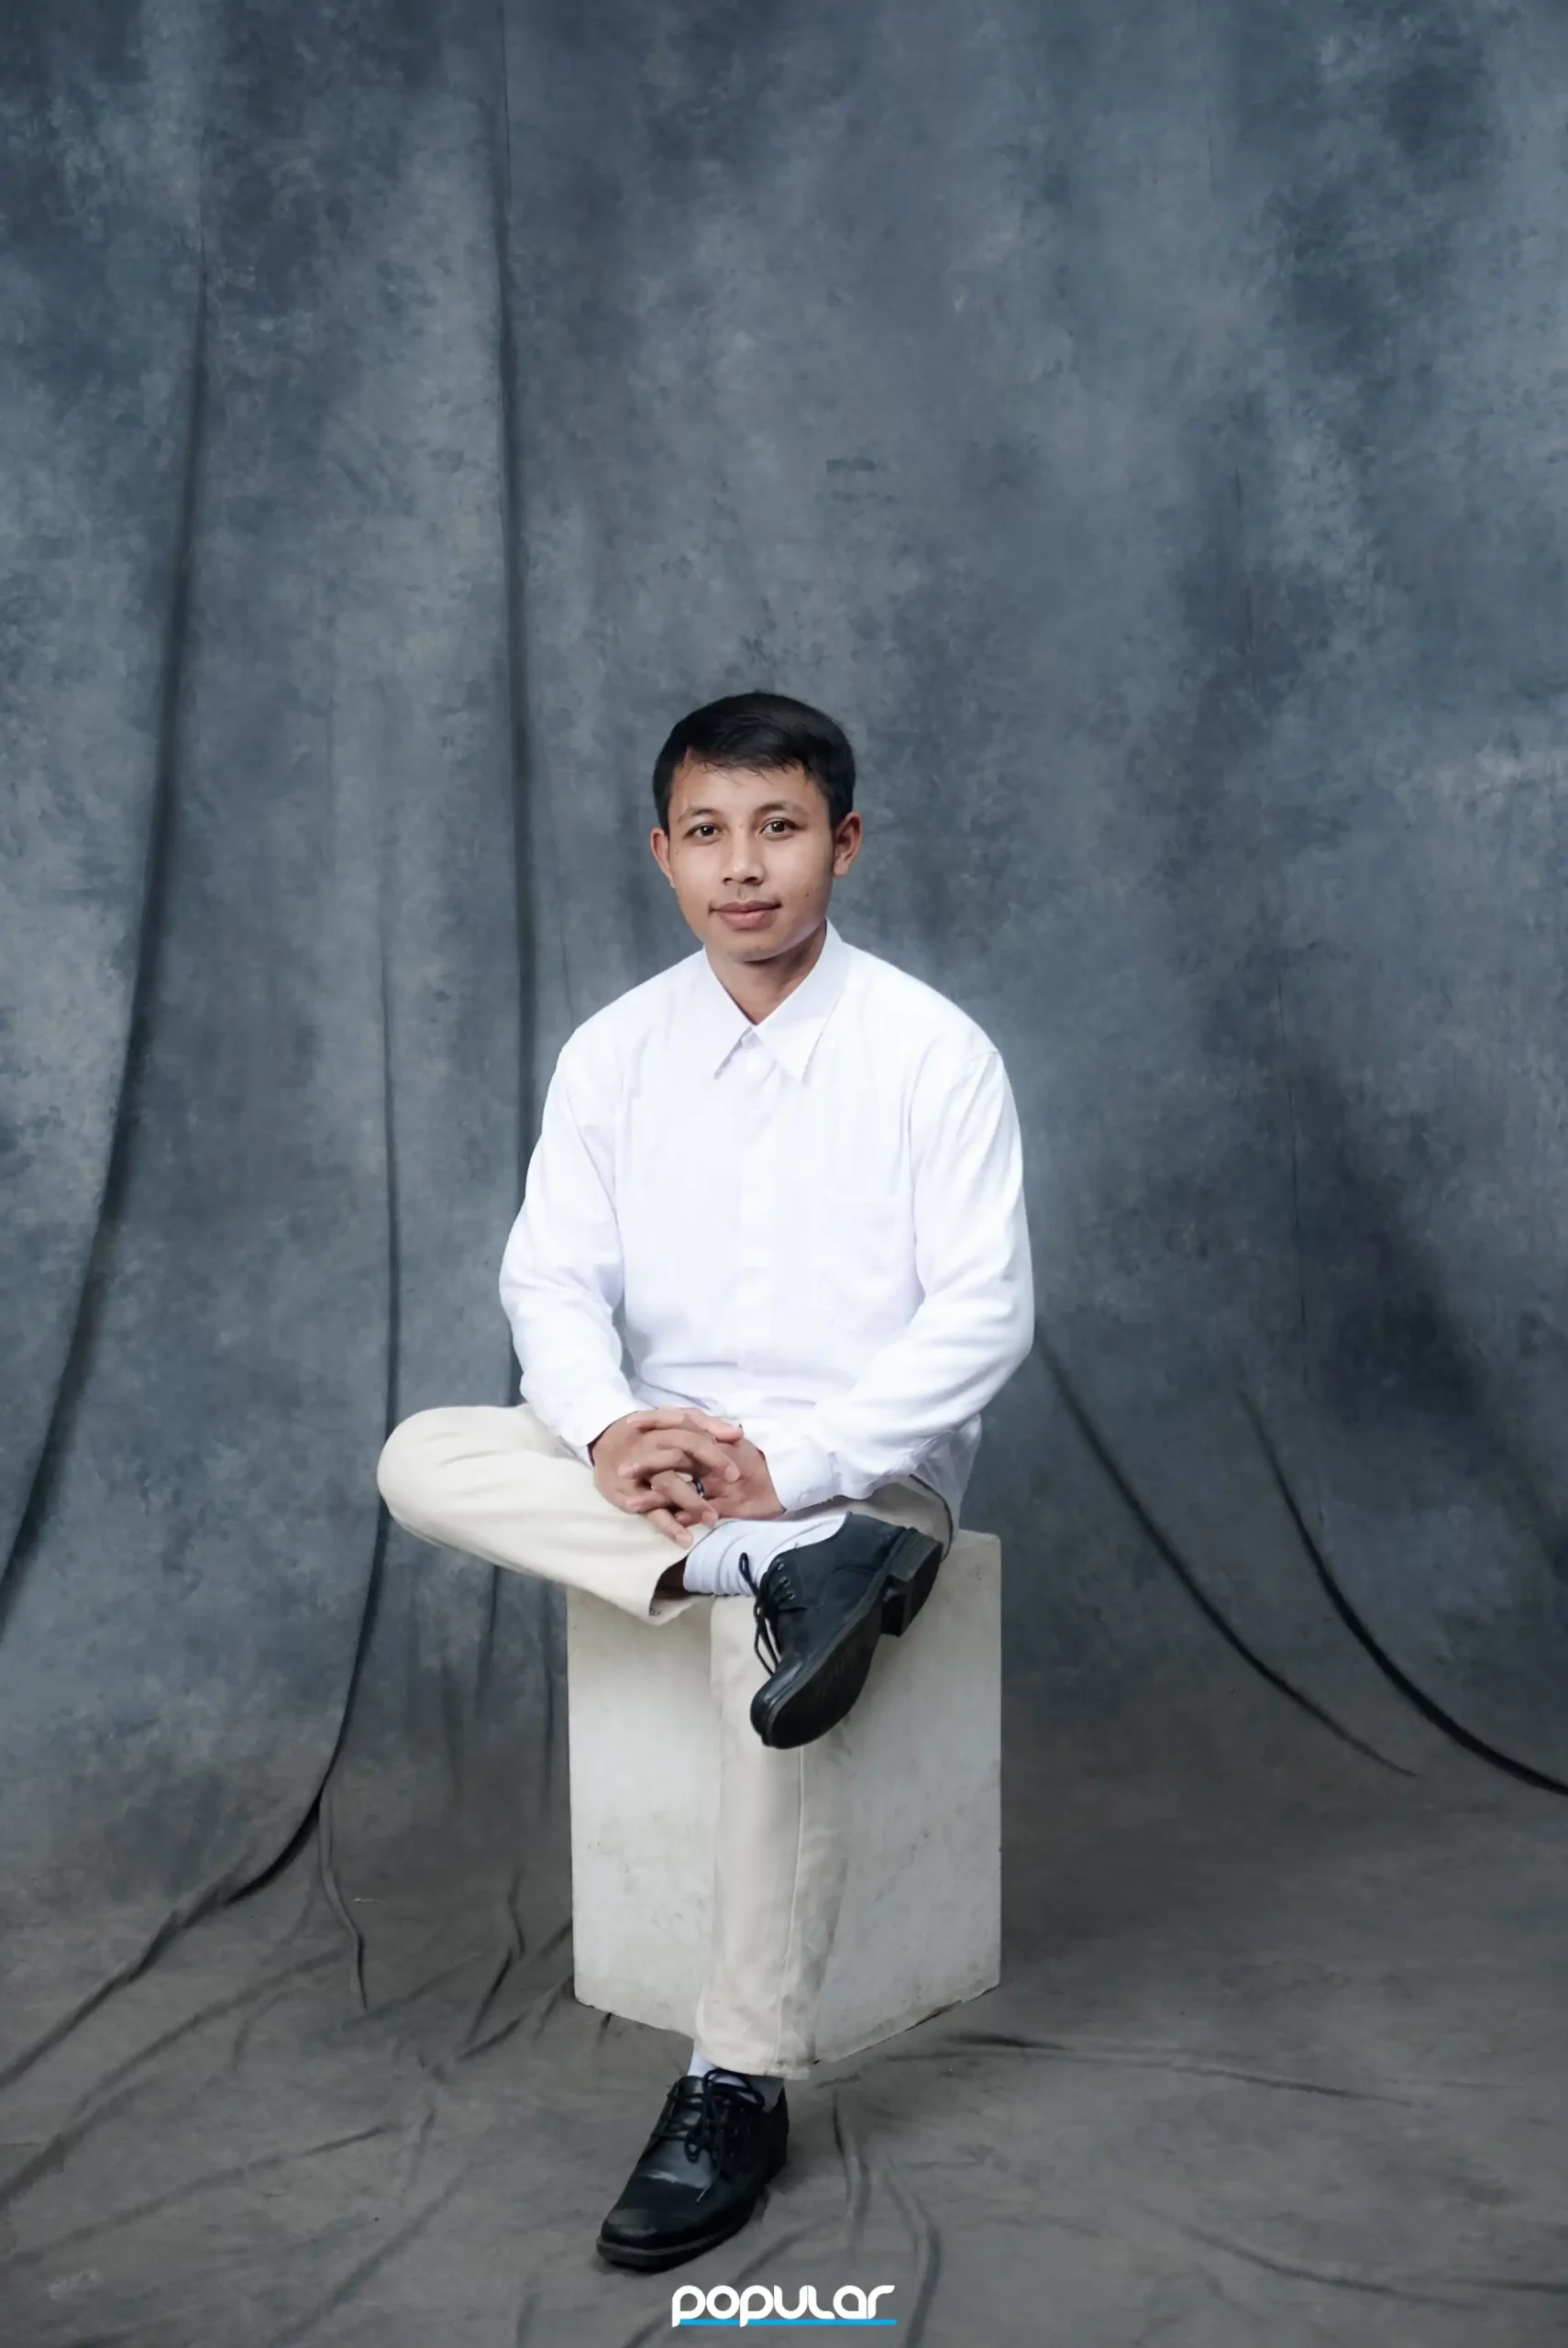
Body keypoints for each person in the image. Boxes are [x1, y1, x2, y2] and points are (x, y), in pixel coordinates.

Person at [376, 690, 1033, 2271]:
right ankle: (766, 1572)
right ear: (661, 853)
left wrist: (793, 1468)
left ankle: (732, 2078)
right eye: (707, 832)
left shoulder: (931, 1053)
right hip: (662, 1469)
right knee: (423, 1454)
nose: (744, 867)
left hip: (862, 1476)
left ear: (842, 844)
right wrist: (612, 1432)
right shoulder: (614, 1051)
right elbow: (550, 1283)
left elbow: (984, 1315)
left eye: (779, 828)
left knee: (767, 1678)